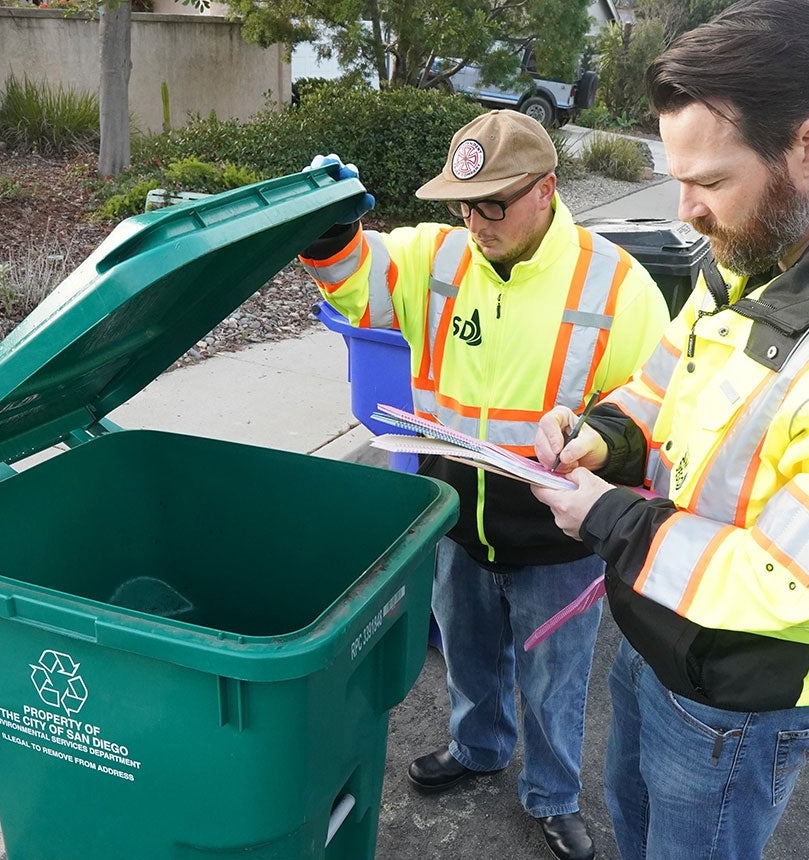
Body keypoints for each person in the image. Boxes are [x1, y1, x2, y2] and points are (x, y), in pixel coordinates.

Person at [530, 2, 809, 857]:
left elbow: (804, 582)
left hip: (743, 696)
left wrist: (607, 518)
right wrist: (603, 433)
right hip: (659, 631)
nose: (687, 213)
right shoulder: (752, 248)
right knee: (634, 822)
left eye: (711, 182)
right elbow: (672, 376)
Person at [299, 110, 668, 860]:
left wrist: (604, 447)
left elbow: (658, 400)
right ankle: (478, 749)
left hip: (557, 531)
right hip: (454, 514)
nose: (476, 219)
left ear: (546, 190)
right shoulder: (437, 257)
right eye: (465, 202)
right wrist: (326, 231)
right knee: (467, 655)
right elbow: (357, 281)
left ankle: (554, 796)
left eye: (494, 202)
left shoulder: (617, 284)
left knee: (555, 682)